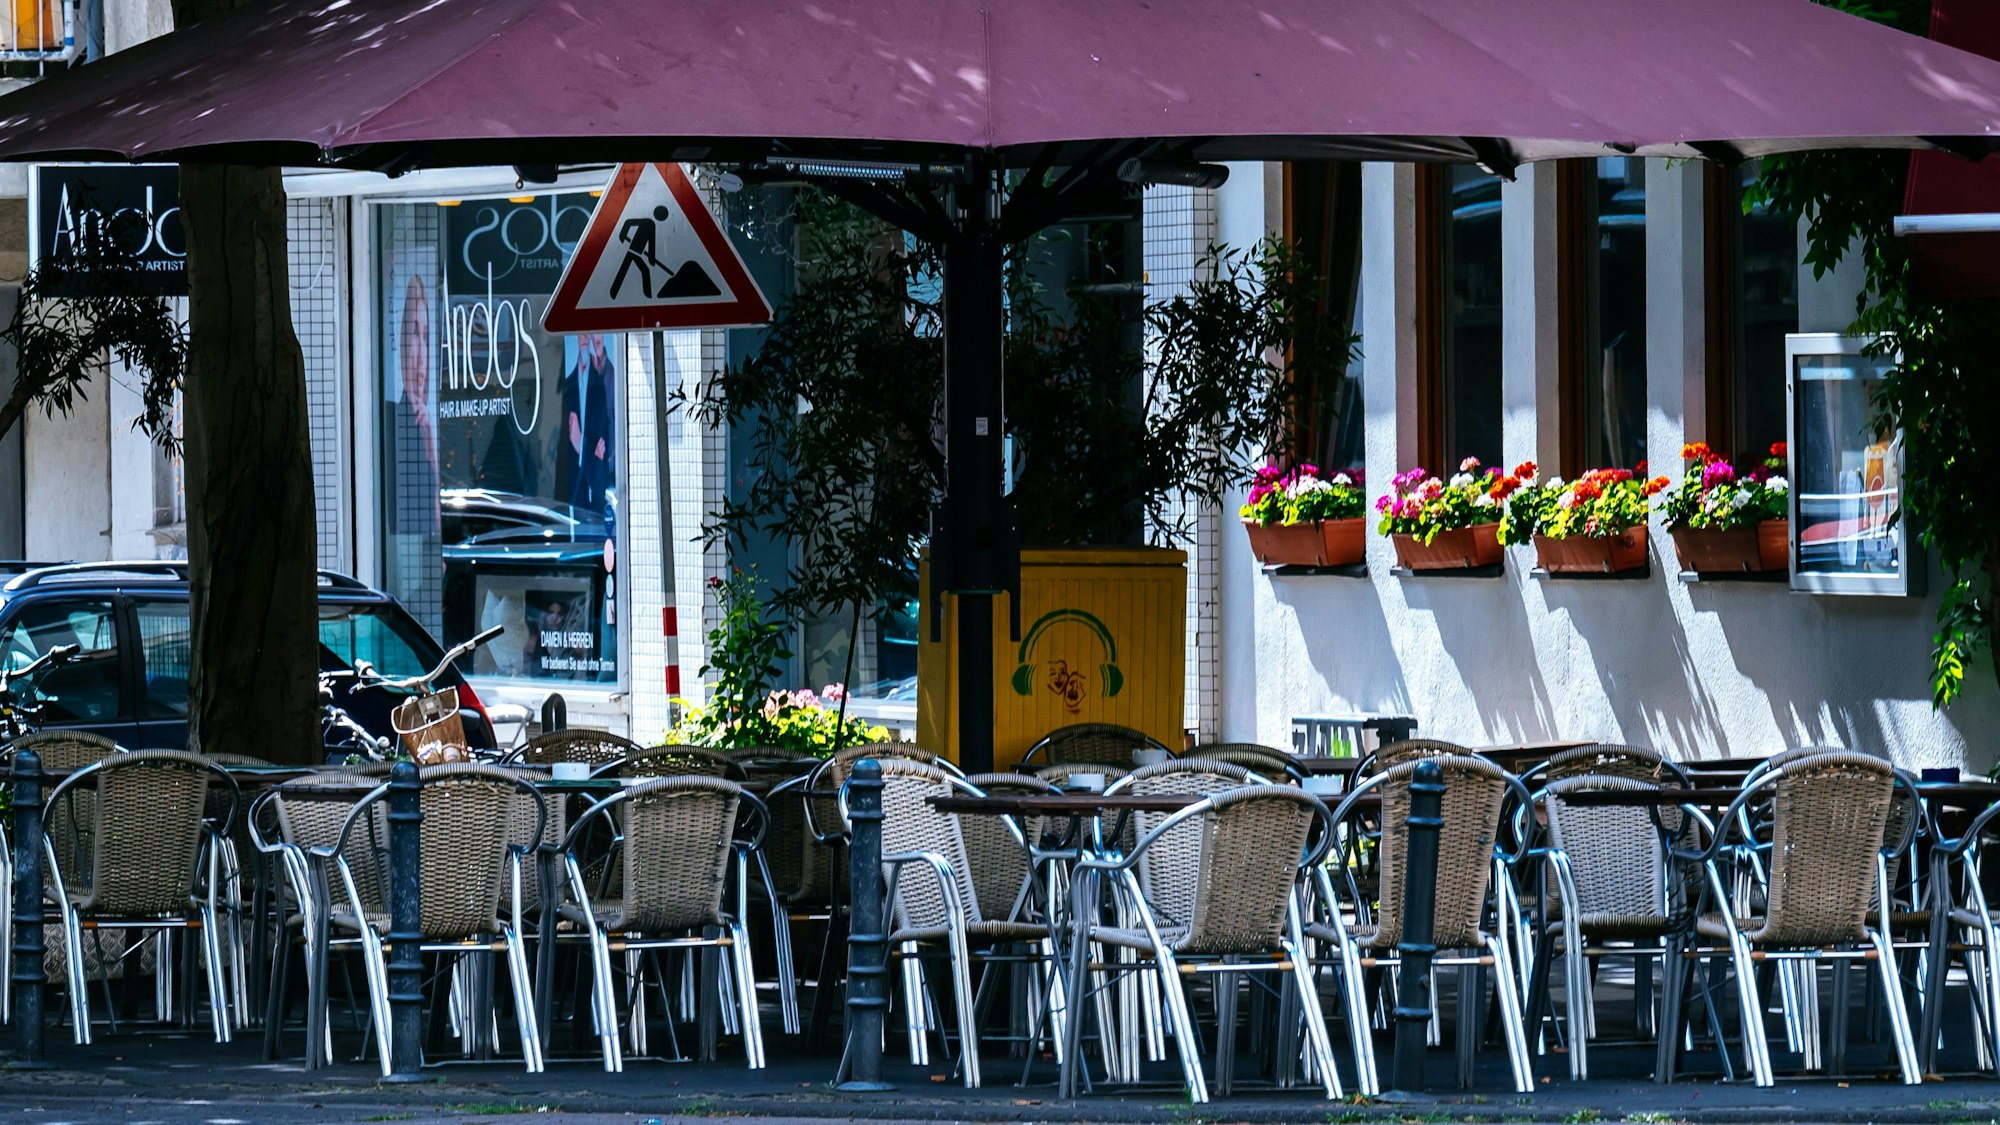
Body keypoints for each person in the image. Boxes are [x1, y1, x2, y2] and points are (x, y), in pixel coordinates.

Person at [556, 333, 614, 515]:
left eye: (588, 333)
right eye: (580, 333)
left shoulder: (601, 385)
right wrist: (590, 453)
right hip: (572, 493)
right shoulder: (568, 386)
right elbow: (564, 448)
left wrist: (581, 445)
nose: (585, 337)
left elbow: (603, 450)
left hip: (598, 494)